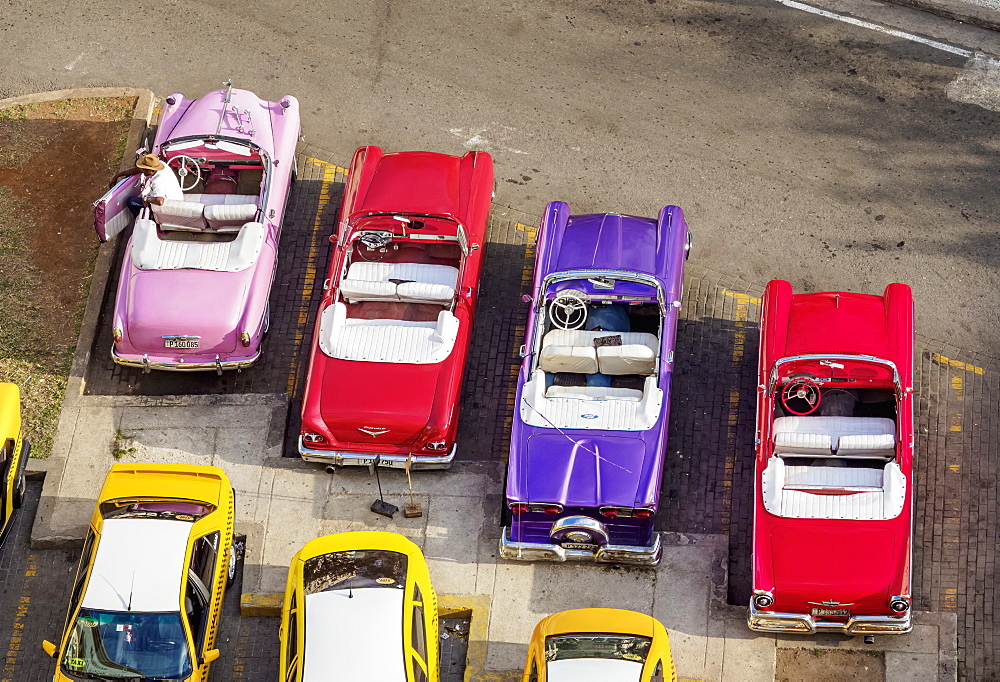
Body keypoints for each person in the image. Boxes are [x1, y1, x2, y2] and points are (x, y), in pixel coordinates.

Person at [109, 154, 184, 217]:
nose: (142, 170)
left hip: (169, 206)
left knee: (131, 201)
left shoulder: (157, 181)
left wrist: (145, 199)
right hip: (177, 198)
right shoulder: (160, 164)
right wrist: (117, 176)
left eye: (144, 169)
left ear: (152, 171)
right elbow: (137, 170)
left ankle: (143, 220)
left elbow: (160, 201)